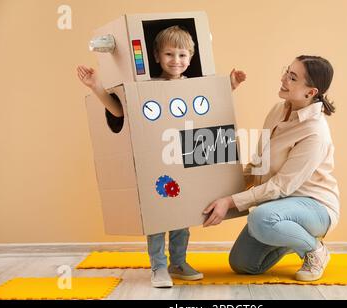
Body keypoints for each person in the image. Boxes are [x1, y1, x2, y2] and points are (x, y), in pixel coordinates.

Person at [77, 25, 246, 288]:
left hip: (184, 161)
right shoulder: (146, 87)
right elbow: (119, 111)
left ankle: (177, 261)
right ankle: (158, 266)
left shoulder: (194, 85)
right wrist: (96, 86)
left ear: (190, 58)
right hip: (156, 162)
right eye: (169, 54)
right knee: (158, 217)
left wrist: (231, 84)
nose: (175, 61)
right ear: (156, 56)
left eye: (182, 55)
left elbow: (212, 103)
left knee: (181, 217)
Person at [203, 55, 340, 282]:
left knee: (260, 219)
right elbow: (258, 165)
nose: (284, 79)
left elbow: (281, 186)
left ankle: (314, 249)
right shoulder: (278, 110)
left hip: (315, 206)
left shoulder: (315, 132)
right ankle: (292, 237)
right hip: (279, 206)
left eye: (293, 78)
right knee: (243, 264)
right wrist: (223, 191)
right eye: (287, 72)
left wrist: (230, 202)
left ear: (310, 92)